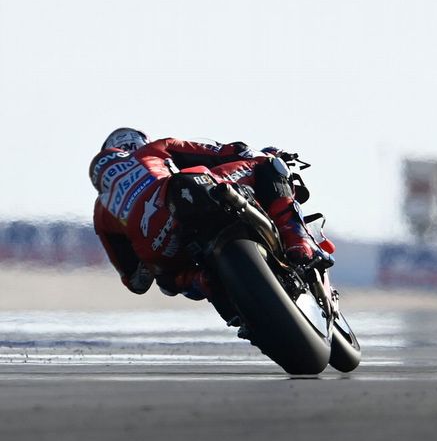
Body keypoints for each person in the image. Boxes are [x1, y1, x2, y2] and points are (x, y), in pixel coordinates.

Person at [89, 127, 332, 312]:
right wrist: (271, 154)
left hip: (161, 248)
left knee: (167, 280)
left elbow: (136, 282)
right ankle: (297, 241)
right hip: (194, 193)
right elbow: (228, 152)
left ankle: (207, 284)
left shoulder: (101, 211)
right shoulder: (152, 149)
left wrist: (150, 258)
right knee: (269, 164)